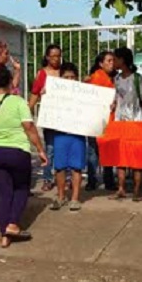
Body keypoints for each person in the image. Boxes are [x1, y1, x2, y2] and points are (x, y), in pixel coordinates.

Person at [0, 67, 49, 249]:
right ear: (10, 82)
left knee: (4, 193)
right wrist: (40, 150)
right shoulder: (18, 102)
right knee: (21, 188)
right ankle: (13, 224)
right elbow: (29, 127)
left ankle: (4, 236)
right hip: (18, 152)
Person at [109, 47, 142, 201]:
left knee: (137, 158)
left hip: (136, 122)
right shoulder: (116, 79)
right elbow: (115, 99)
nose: (113, 62)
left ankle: (136, 191)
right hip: (120, 122)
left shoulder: (137, 79)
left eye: (115, 59)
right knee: (120, 158)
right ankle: (121, 188)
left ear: (122, 60)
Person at [49, 63, 87, 211]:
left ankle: (75, 198)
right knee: (60, 167)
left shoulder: (84, 93)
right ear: (61, 78)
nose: (70, 80)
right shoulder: (55, 93)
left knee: (77, 167)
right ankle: (61, 196)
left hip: (77, 134)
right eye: (66, 77)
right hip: (60, 134)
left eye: (72, 77)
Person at [29, 44, 64, 191]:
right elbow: (35, 93)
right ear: (47, 57)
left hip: (65, 116)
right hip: (50, 117)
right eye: (53, 56)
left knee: (64, 147)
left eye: (58, 56)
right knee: (50, 148)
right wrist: (28, 111)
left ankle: (66, 177)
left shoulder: (64, 72)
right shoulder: (42, 74)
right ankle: (48, 178)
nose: (56, 59)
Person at [85, 50, 117, 191]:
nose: (112, 63)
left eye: (113, 60)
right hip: (97, 119)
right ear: (101, 63)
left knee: (104, 150)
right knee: (94, 151)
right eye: (109, 61)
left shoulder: (113, 78)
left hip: (107, 120)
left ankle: (97, 181)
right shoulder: (97, 77)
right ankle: (97, 180)